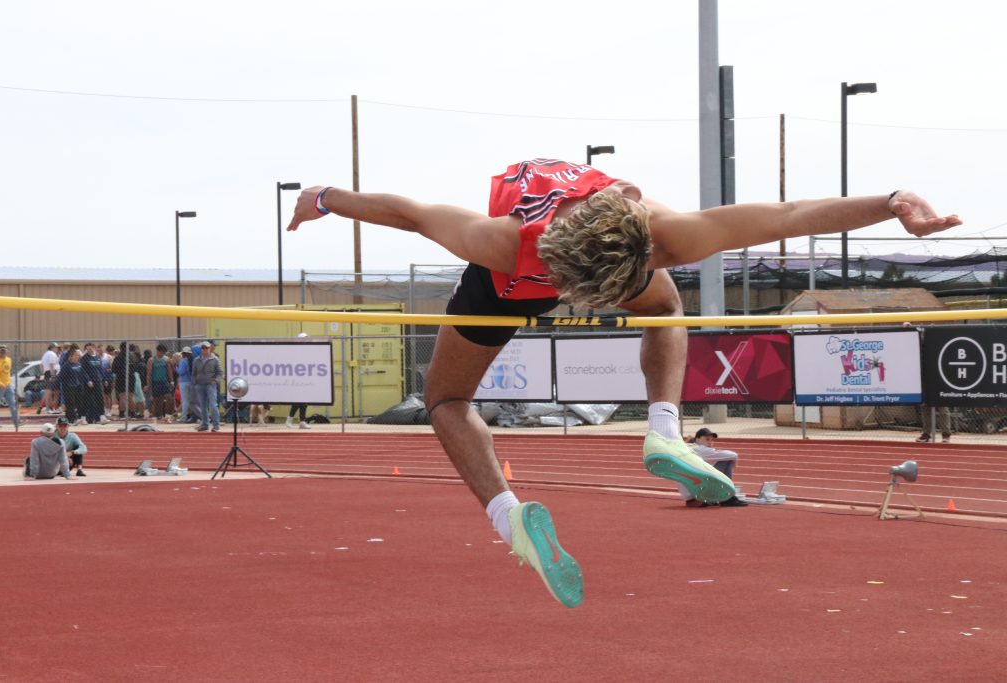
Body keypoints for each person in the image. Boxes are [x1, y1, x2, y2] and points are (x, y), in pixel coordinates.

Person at [286, 159, 961, 608]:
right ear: (629, 213)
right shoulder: (664, 232)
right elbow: (783, 216)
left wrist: (324, 198)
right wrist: (891, 200)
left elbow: (406, 210)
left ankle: (510, 518)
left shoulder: (494, 238)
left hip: (514, 274)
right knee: (667, 306)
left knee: (448, 400)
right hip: (600, 271)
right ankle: (663, 429)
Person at [681, 428, 747, 507]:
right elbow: (733, 455)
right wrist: (733, 465)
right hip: (698, 496)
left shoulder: (689, 447)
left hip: (691, 495)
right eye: (707, 439)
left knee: (719, 463)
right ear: (697, 439)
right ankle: (727, 497)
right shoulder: (700, 449)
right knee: (726, 460)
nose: (709, 442)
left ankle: (725, 496)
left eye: (711, 440)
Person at [192, 340, 223, 432]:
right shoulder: (196, 360)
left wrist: (215, 380)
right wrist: (195, 382)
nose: (205, 349)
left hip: (210, 385)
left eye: (206, 348)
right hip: (200, 385)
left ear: (210, 349)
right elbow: (193, 373)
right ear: (201, 349)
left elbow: (220, 372)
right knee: (203, 406)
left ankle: (216, 425)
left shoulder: (215, 359)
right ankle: (205, 424)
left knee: (213, 405)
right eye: (203, 348)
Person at [0, 344, 19, 428]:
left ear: (7, 351)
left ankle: (17, 422)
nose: (3, 351)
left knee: (13, 404)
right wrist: (1, 384)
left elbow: (7, 373)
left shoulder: (9, 360)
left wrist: (9, 383)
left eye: (4, 350)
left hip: (8, 386)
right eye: (1, 350)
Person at [146, 343, 176, 423]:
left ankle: (167, 416)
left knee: (169, 398)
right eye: (161, 351)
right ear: (157, 351)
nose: (162, 353)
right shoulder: (151, 360)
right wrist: (148, 384)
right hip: (155, 382)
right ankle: (157, 416)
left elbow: (169, 371)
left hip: (164, 381)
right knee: (157, 400)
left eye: (163, 352)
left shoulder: (166, 359)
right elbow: (149, 373)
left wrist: (172, 381)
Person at [57, 348, 87, 425]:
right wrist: (64, 383)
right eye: (76, 355)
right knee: (70, 404)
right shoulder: (66, 365)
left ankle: (71, 419)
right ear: (71, 356)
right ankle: (73, 419)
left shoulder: (79, 364)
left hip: (77, 387)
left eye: (78, 355)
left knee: (78, 403)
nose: (78, 356)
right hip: (68, 387)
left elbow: (83, 374)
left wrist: (87, 381)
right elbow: (60, 376)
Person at [40, 342, 61, 414]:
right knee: (52, 392)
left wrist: (44, 374)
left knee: (51, 392)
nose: (57, 349)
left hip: (47, 373)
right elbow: (51, 364)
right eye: (56, 348)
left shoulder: (45, 354)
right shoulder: (52, 354)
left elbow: (41, 366)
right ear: (53, 348)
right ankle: (50, 409)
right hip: (52, 373)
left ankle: (51, 409)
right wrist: (53, 375)